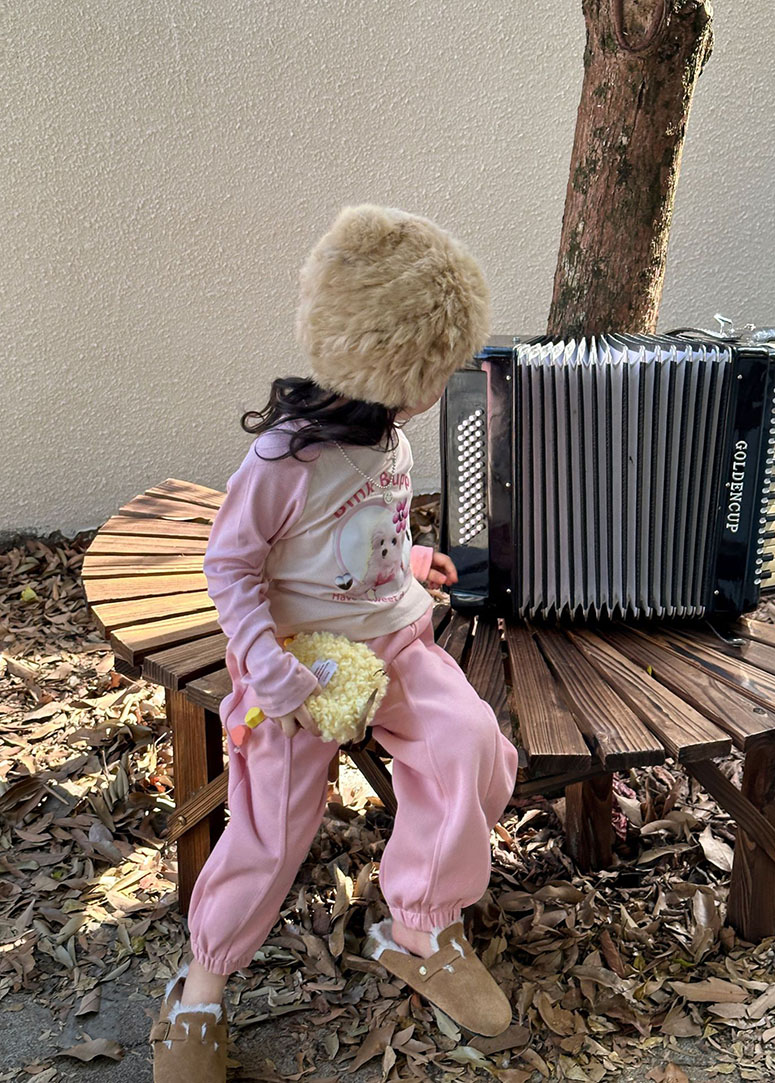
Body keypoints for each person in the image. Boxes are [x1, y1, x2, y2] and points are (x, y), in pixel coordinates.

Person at [149, 204, 520, 1082]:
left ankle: (419, 924)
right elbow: (230, 564)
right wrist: (268, 666)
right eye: (435, 368)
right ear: (394, 366)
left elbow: (366, 533)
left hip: (396, 641)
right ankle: (201, 984)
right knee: (272, 825)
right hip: (298, 665)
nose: (440, 385)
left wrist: (411, 559)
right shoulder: (284, 460)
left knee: (469, 742)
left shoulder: (388, 435)